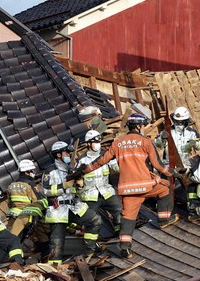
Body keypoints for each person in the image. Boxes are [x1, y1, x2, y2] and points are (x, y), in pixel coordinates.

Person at [81, 113, 177, 259]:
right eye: (143, 126)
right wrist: (171, 173)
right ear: (138, 126)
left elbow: (101, 161)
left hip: (127, 189)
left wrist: (85, 170)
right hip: (146, 185)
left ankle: (125, 247)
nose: (143, 128)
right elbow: (158, 165)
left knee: (128, 217)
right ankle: (164, 219)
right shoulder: (145, 142)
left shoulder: (118, 143)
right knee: (165, 187)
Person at [24, 141, 102, 265]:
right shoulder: (50, 171)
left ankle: (90, 250)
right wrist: (63, 186)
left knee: (95, 220)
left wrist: (80, 185)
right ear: (58, 155)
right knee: (56, 245)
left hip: (74, 207)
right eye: (66, 152)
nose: (69, 155)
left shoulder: (72, 169)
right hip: (58, 211)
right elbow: (46, 190)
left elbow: (76, 191)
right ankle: (55, 271)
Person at [76, 130, 122, 236]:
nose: (98, 145)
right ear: (88, 143)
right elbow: (76, 180)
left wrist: (124, 164)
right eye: (95, 142)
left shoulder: (105, 156)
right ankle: (93, 239)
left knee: (118, 210)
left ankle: (118, 232)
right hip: (90, 196)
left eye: (99, 142)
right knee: (89, 220)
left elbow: (116, 167)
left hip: (106, 192)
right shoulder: (81, 161)